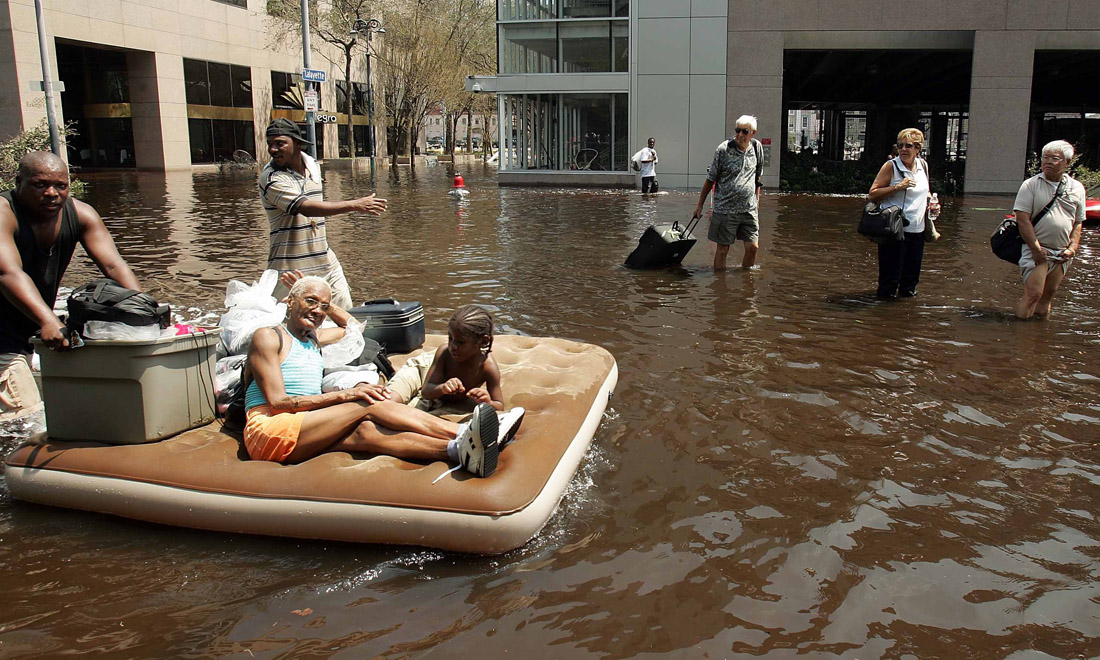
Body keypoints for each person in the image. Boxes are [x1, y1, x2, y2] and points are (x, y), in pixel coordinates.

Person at [243, 276, 521, 476]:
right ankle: (465, 433)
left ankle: (457, 450)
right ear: (289, 301)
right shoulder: (269, 336)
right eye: (309, 301)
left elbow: (353, 326)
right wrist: (344, 395)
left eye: (323, 307)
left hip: (303, 429)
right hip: (270, 429)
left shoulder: (313, 338)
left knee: (367, 433)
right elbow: (278, 403)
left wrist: (329, 306)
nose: (317, 311)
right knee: (366, 401)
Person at [0, 151, 141, 421]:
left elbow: (114, 267)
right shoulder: (4, 213)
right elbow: (8, 272)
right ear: (19, 182)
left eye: (60, 186)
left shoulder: (82, 214)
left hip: (28, 325)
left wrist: (145, 309)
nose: (52, 193)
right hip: (4, 333)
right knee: (26, 418)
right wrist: (48, 319)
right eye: (40, 184)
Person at [259, 118, 387, 309]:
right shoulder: (272, 178)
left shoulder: (312, 166)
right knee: (294, 328)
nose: (273, 149)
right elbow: (306, 207)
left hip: (326, 263)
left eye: (280, 143)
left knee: (345, 314)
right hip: (290, 269)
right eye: (270, 144)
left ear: (298, 143)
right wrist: (355, 205)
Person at [1011, 140, 1086, 319]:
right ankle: (1020, 335)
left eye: (1055, 158)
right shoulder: (1030, 185)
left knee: (1048, 296)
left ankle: (1039, 337)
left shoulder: (1077, 188)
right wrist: (1036, 249)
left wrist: (1072, 248)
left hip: (1062, 253)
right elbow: (1022, 220)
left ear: (1067, 162)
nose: (1048, 162)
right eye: (1045, 157)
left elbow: (1078, 222)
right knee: (1033, 295)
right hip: (1037, 249)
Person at [867, 128, 940, 298]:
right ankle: (884, 318)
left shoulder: (923, 165)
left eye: (908, 146)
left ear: (918, 149)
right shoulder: (891, 166)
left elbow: (926, 191)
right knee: (889, 281)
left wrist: (932, 204)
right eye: (900, 145)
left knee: (910, 281)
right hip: (894, 231)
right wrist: (898, 187)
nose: (903, 149)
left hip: (917, 231)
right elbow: (872, 194)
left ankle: (905, 318)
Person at [693, 115, 764, 271]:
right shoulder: (723, 149)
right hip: (725, 210)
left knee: (753, 247)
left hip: (749, 210)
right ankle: (720, 285)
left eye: (744, 131)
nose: (739, 135)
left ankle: (746, 280)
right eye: (737, 130)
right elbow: (710, 180)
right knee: (723, 250)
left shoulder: (757, 148)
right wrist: (699, 206)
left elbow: (757, 178)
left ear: (753, 132)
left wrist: (757, 203)